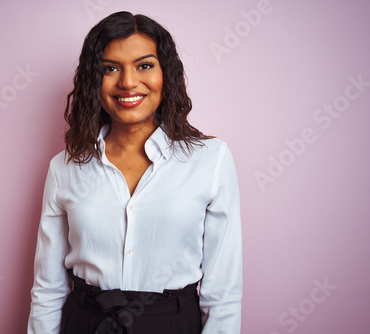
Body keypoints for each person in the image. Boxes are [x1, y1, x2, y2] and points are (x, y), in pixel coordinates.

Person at [27, 11, 242, 334]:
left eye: (144, 65)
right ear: (93, 81)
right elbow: (48, 288)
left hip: (173, 324)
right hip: (85, 323)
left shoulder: (211, 160)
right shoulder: (65, 167)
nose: (128, 82)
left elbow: (223, 291)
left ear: (165, 74)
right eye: (110, 68)